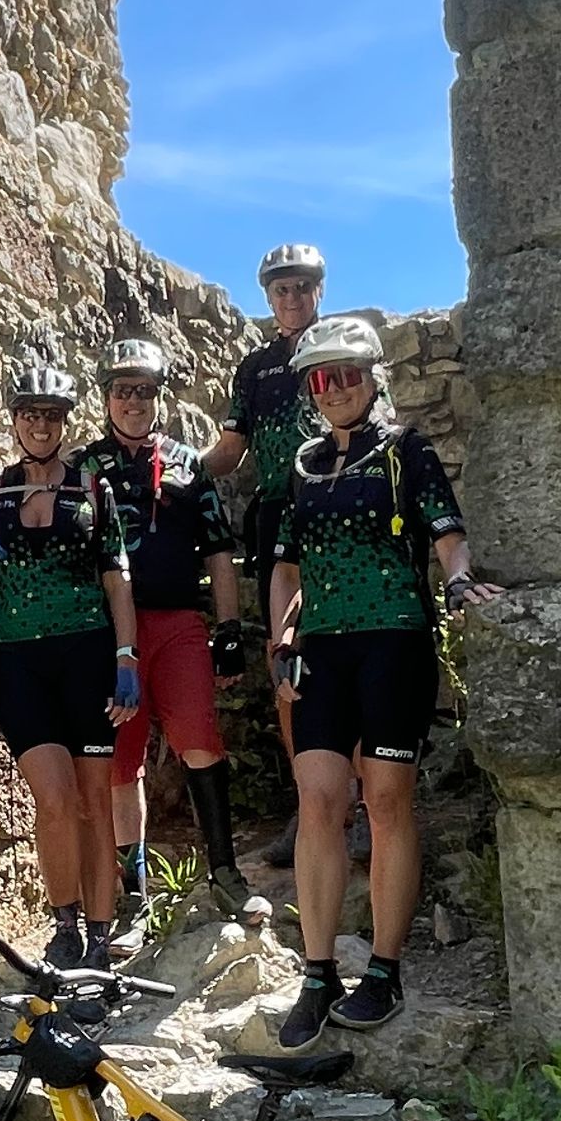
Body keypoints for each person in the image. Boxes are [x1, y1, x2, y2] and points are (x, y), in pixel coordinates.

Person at [264, 315, 502, 1047]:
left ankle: (387, 970)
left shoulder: (405, 449)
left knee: (389, 800)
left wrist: (461, 583)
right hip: (323, 651)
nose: (335, 388)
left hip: (395, 641)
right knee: (318, 801)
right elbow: (284, 566)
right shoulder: (300, 466)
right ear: (310, 388)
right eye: (322, 377)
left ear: (372, 379)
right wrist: (280, 644)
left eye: (348, 375)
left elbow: (446, 535)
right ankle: (317, 971)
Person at [0, 362, 141, 971]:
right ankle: (63, 922)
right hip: (21, 661)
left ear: (65, 423)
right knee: (54, 799)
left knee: (95, 801)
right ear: (14, 420)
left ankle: (99, 932)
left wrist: (127, 657)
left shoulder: (93, 488)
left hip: (88, 653)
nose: (40, 425)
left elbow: (116, 578)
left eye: (51, 415)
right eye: (29, 414)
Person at [74, 337, 244, 928]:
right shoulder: (84, 467)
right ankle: (133, 890)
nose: (133, 402)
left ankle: (225, 871)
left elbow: (219, 549)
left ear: (158, 397)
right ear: (106, 398)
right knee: (123, 763)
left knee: (199, 738)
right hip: (110, 633)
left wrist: (229, 628)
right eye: (122, 391)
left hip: (177, 623)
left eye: (144, 391)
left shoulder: (186, 462)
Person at [205, 242, 326, 869]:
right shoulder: (254, 370)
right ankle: (312, 806)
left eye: (302, 287)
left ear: (318, 292)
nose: (292, 298)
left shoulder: (343, 349)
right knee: (287, 658)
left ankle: (355, 805)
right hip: (277, 516)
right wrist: (178, 474)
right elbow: (232, 451)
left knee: (341, 647)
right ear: (268, 297)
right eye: (281, 289)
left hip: (339, 514)